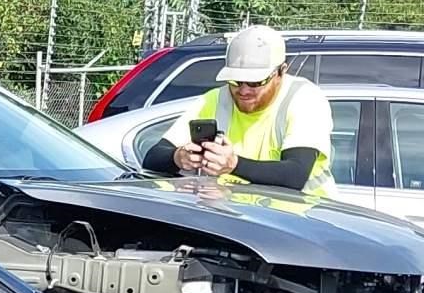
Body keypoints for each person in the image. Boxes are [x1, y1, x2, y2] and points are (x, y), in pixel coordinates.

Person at [142, 24, 333, 199]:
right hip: (238, 220)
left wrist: (233, 164)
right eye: (235, 81)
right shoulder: (215, 99)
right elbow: (153, 157)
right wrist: (178, 157)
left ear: (281, 72)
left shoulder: (303, 98)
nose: (243, 90)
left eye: (255, 82)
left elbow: (296, 175)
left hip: (305, 221)